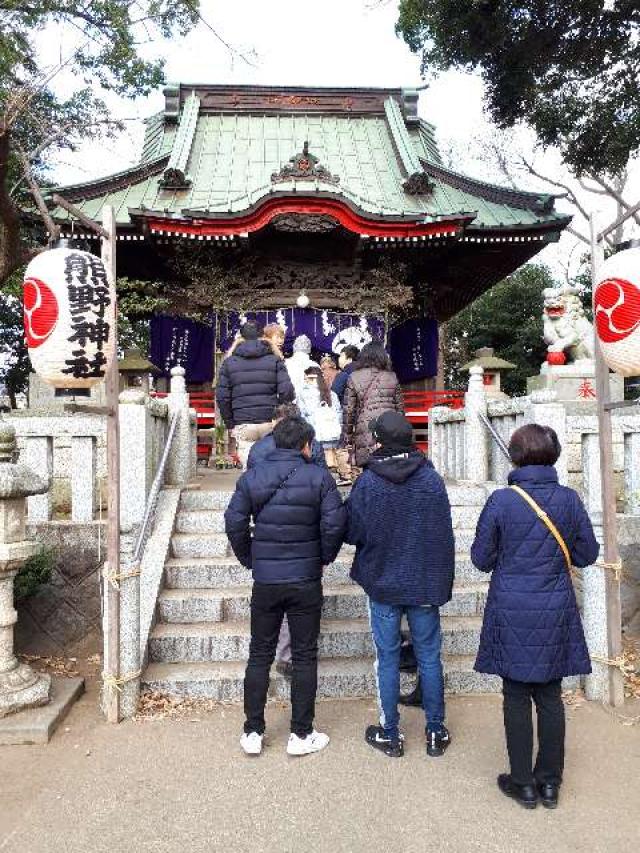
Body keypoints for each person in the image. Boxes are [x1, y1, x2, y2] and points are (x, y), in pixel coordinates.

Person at [471, 424, 599, 810]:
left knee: (515, 695)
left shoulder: (501, 501)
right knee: (550, 695)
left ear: (515, 456)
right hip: (555, 604)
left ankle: (522, 783)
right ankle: (549, 783)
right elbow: (587, 555)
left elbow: (481, 559)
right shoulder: (569, 499)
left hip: (511, 606)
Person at [225, 416, 347, 756]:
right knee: (306, 655)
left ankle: (252, 731)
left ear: (275, 442)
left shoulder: (253, 477)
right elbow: (335, 522)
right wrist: (323, 556)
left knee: (259, 653)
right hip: (305, 578)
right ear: (307, 445)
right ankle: (301, 734)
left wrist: (250, 557)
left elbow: (234, 521)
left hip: (266, 579)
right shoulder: (319, 476)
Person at [346, 411, 455, 759]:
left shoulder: (369, 482)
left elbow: (353, 531)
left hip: (382, 580)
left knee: (388, 657)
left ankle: (390, 733)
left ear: (379, 440)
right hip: (423, 580)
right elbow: (443, 534)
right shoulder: (431, 479)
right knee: (429, 656)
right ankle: (436, 732)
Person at [247, 402, 328, 680]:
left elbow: (239, 510)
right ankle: (291, 654)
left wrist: (249, 555)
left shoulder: (258, 450)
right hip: (305, 537)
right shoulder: (312, 447)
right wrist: (323, 553)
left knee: (266, 627)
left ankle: (282, 655)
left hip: (268, 541)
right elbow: (327, 500)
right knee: (300, 604)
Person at [216, 322, 294, 468]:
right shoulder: (275, 359)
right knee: (272, 468)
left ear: (241, 337)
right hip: (269, 421)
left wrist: (230, 423)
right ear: (262, 336)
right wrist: (279, 415)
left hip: (243, 422)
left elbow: (222, 396)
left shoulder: (229, 362)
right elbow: (287, 391)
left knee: (250, 469)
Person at [343, 341, 404, 469]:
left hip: (366, 428)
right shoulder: (392, 377)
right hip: (390, 428)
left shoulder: (354, 377)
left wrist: (347, 437)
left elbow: (349, 411)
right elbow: (400, 410)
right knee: (391, 466)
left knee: (369, 467)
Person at [247, 403, 327, 471]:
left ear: (274, 422)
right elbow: (323, 476)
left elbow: (253, 477)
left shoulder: (259, 447)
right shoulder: (313, 444)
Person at [297, 366, 342, 468]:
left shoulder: (303, 394)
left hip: (316, 436)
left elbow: (302, 416)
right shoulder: (331, 394)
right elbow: (339, 414)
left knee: (320, 464)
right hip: (333, 434)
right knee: (332, 462)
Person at [286, 335, 319, 399]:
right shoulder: (313, 365)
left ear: (294, 347)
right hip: (309, 403)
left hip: (289, 402)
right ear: (309, 348)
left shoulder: (286, 363)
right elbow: (315, 387)